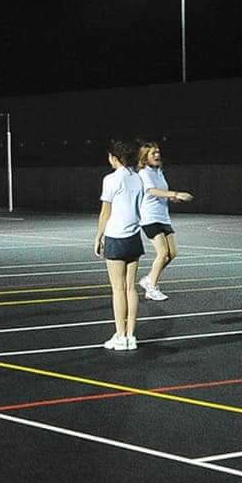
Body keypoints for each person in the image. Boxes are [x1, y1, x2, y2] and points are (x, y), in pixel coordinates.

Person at [94, 140, 145, 349]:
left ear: (115, 158)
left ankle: (120, 335)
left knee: (117, 289)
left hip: (116, 236)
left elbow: (105, 212)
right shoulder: (139, 179)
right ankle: (131, 335)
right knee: (130, 288)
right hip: (134, 236)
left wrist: (98, 236)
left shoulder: (111, 179)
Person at [135, 141, 193, 301]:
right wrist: (175, 194)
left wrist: (172, 199)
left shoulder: (158, 172)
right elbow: (152, 191)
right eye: (153, 153)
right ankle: (151, 288)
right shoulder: (144, 173)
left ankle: (149, 279)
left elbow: (161, 192)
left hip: (163, 217)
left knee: (172, 253)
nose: (157, 155)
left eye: (158, 152)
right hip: (149, 218)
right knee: (162, 253)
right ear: (145, 157)